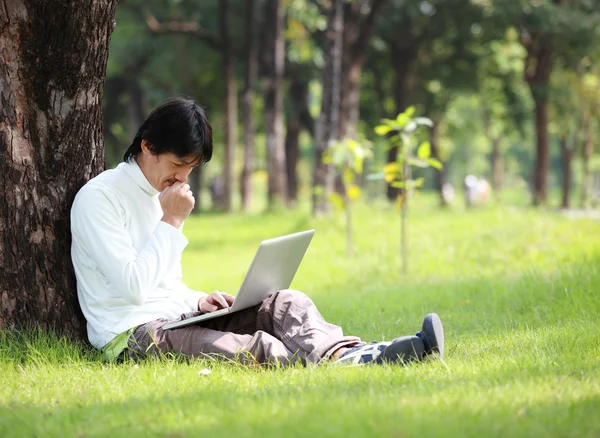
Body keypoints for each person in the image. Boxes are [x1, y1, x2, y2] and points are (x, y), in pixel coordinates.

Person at [70, 98, 445, 366]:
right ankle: (363, 360)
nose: (183, 178)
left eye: (191, 168)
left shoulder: (160, 194)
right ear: (147, 146)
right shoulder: (99, 199)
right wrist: (172, 222)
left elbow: (163, 283)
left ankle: (351, 355)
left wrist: (197, 300)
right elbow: (133, 289)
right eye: (178, 164)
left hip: (176, 316)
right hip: (132, 335)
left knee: (287, 302)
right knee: (253, 348)